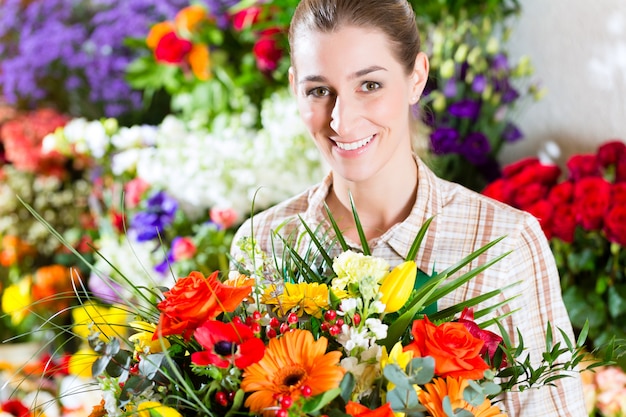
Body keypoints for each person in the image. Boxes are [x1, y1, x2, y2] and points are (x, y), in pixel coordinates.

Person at [230, 0, 586, 415]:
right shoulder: (263, 244)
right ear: (295, 88)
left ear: (416, 77)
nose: (341, 121)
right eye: (319, 91)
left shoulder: (503, 243)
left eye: (369, 85)